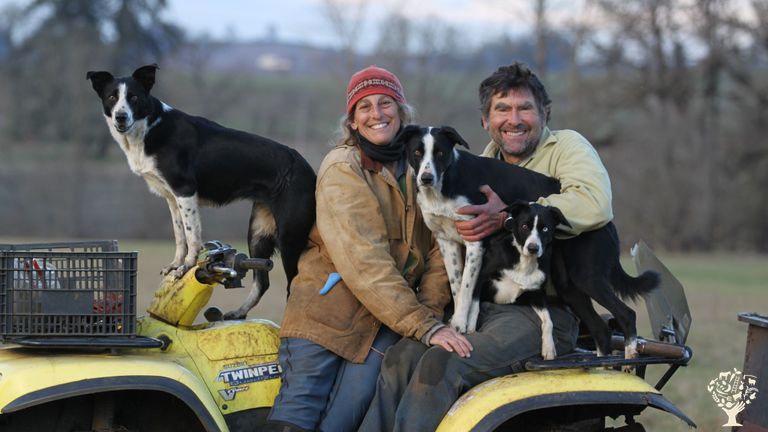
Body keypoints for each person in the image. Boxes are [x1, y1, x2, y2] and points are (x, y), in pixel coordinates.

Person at [359, 61, 614, 431]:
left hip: (543, 310)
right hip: (487, 304)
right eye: (502, 109)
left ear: (545, 113)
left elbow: (595, 204)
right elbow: (452, 242)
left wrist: (508, 218)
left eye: (525, 108)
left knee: (442, 364)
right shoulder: (477, 165)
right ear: (484, 120)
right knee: (404, 355)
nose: (514, 119)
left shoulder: (568, 147)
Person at [265, 65, 472, 432]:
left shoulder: (423, 168)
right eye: (365, 106)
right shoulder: (343, 168)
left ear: (402, 111)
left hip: (387, 321)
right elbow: (364, 260)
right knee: (299, 414)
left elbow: (443, 247)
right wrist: (423, 325)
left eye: (386, 102)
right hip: (328, 315)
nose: (377, 113)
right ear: (353, 121)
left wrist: (427, 312)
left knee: (346, 420)